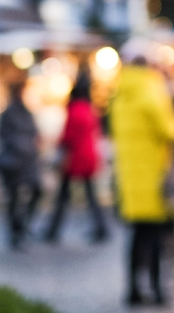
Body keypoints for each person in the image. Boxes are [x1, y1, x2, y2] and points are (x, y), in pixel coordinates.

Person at [111, 51, 174, 306]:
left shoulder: (120, 94)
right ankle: (157, 289)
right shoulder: (151, 90)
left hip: (130, 177)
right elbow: (171, 129)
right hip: (154, 175)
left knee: (136, 235)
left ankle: (132, 289)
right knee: (156, 235)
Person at [44, 74, 108, 244]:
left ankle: (53, 229)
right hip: (89, 156)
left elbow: (68, 136)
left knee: (63, 196)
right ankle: (101, 227)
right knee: (90, 195)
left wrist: (58, 147)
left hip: (75, 157)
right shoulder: (90, 109)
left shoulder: (74, 110)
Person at [0, 78, 42, 249]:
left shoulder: (25, 112)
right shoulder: (9, 113)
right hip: (15, 161)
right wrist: (21, 145)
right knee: (14, 197)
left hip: (28, 160)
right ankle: (15, 231)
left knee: (34, 192)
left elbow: (34, 132)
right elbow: (3, 135)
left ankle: (21, 226)